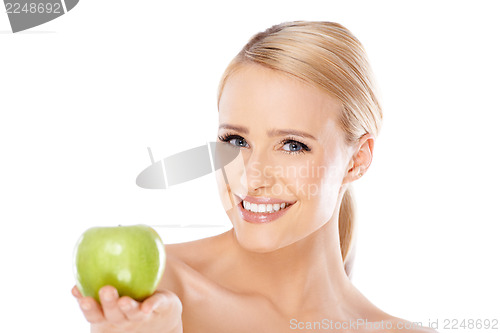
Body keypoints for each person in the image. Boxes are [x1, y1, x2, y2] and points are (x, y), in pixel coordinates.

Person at [72, 21, 436, 332]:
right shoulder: (153, 295)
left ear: (357, 159)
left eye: (292, 145)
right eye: (236, 140)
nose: (251, 177)